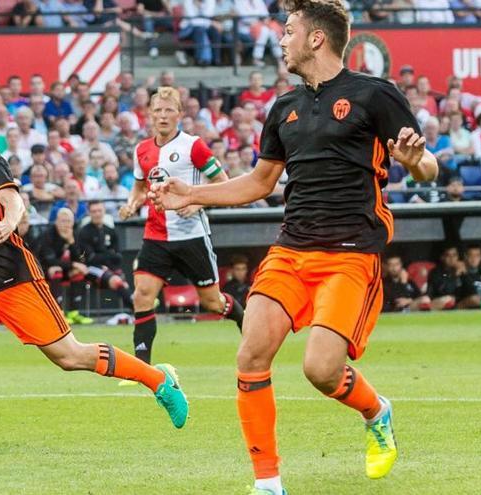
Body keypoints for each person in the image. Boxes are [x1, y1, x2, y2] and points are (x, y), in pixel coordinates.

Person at [147, 1, 440, 492]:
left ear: (316, 39)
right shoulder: (283, 107)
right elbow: (261, 182)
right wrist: (191, 195)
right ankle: (267, 483)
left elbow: (427, 167)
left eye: (287, 31)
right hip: (290, 250)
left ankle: (377, 411)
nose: (280, 39)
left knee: (321, 370)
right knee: (250, 355)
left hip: (350, 252)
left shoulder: (375, 95)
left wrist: (415, 161)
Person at [0, 77, 188, 465]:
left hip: (16, 281)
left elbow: (13, 201)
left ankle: (158, 379)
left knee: (70, 357)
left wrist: (10, 221)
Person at [119, 86, 243, 367]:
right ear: (150, 114)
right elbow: (139, 189)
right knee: (142, 296)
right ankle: (142, 367)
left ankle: (242, 318)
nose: (163, 116)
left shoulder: (193, 145)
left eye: (169, 110)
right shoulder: (142, 149)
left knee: (212, 303)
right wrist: (131, 204)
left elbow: (222, 182)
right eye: (158, 110)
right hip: (156, 235)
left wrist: (197, 203)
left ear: (179, 114)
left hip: (191, 235)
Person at [38, 207, 96, 324]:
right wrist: (74, 264)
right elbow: (50, 260)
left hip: (65, 269)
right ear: (57, 221)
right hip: (43, 270)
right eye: (63, 221)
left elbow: (82, 259)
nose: (66, 224)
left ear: (73, 222)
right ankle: (58, 313)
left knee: (78, 272)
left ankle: (74, 312)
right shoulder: (48, 235)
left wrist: (71, 242)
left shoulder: (74, 234)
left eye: (68, 221)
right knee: (56, 270)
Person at [77, 200, 134, 309]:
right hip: (90, 269)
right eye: (94, 211)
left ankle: (136, 311)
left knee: (123, 284)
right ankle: (137, 309)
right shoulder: (84, 232)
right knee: (117, 281)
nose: (97, 214)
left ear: (104, 212)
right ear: (89, 213)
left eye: (99, 210)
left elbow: (118, 257)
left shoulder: (110, 231)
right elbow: (90, 258)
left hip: (110, 267)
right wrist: (108, 255)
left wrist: (105, 258)